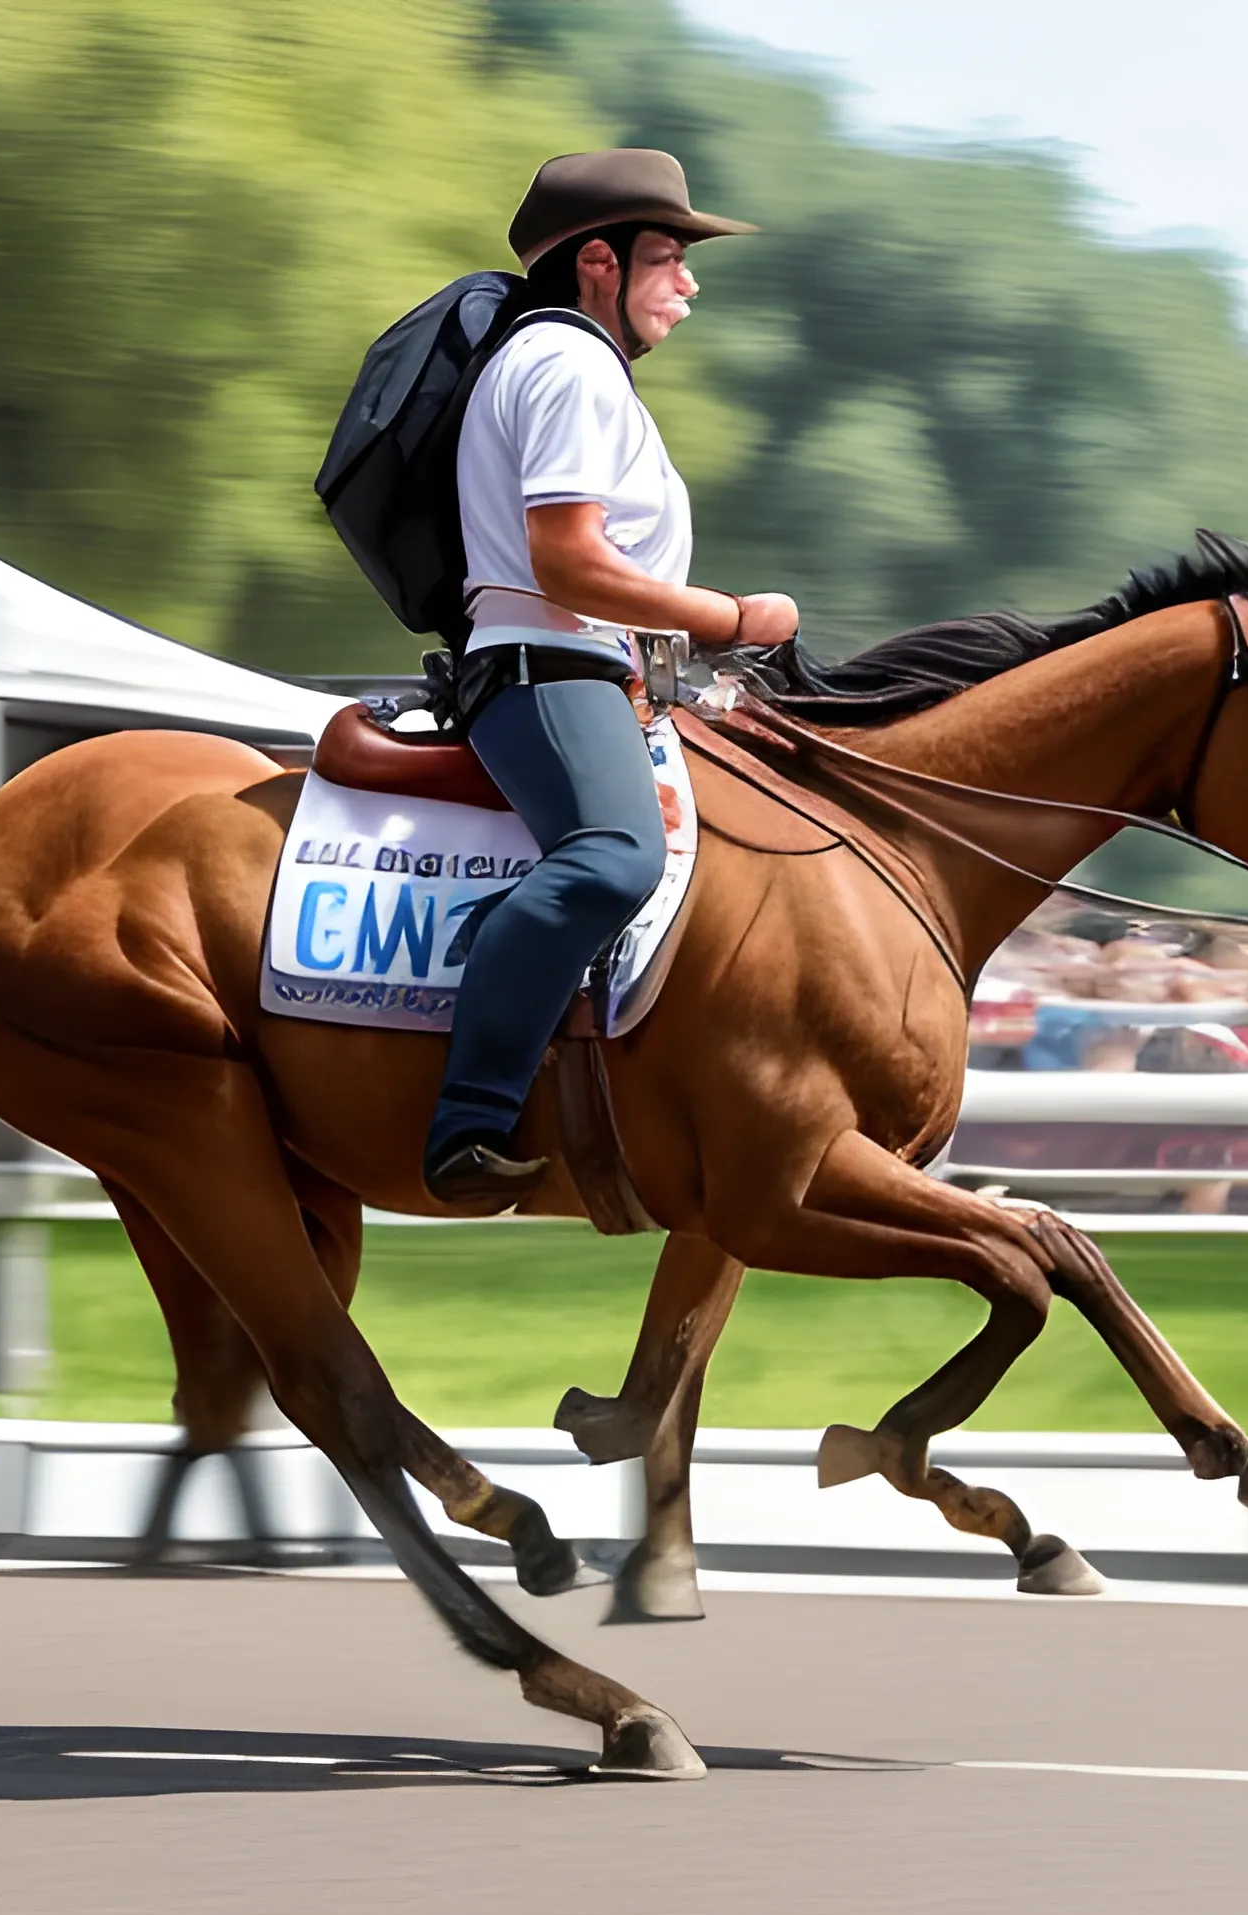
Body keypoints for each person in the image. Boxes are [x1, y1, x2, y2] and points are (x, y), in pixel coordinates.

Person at [423, 148, 800, 1207]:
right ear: (599, 261)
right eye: (668, 259)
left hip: (586, 670)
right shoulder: (570, 364)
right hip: (547, 673)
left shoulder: (567, 363)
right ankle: (467, 1120)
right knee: (611, 861)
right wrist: (730, 617)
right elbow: (569, 563)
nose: (689, 283)